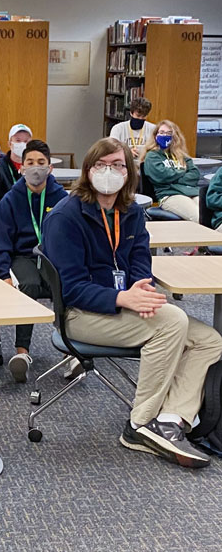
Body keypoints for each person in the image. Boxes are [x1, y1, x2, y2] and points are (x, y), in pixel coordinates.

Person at [43, 137, 222, 468]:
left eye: (118, 165)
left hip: (123, 305)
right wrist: (123, 297)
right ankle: (140, 423)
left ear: (129, 173)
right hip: (80, 314)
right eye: (101, 165)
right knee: (173, 322)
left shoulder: (131, 213)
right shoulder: (65, 218)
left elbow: (140, 261)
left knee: (210, 341)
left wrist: (141, 287)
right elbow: (71, 289)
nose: (109, 171)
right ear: (88, 170)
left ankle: (171, 420)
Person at [0, 140, 67, 382]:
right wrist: (2, 275)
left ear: (50, 168)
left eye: (41, 163)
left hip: (52, 254)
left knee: (67, 284)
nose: (36, 168)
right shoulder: (10, 200)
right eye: (30, 163)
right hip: (21, 256)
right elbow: (0, 243)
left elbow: (72, 237)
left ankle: (72, 350)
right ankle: (22, 352)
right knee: (29, 285)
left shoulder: (62, 198)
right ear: (21, 167)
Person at [142, 120, 200, 222]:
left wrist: (173, 178)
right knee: (198, 217)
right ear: (156, 135)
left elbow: (194, 174)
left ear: (175, 137)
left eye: (169, 133)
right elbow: (162, 176)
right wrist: (182, 171)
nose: (165, 135)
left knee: (211, 215)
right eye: (162, 132)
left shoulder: (181, 155)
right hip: (170, 195)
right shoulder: (152, 156)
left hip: (191, 192)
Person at [0, 123, 33, 213]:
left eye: (26, 141)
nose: (22, 144)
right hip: (2, 216)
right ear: (10, 144)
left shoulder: (33, 165)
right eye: (18, 140)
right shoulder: (0, 164)